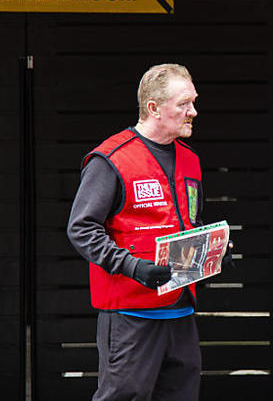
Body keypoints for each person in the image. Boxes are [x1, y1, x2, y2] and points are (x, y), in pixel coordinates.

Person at [67, 63, 203, 401]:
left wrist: (212, 252)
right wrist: (131, 266)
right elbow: (81, 228)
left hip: (181, 311)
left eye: (193, 102)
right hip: (131, 315)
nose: (193, 112)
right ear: (154, 108)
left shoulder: (191, 160)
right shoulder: (112, 158)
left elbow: (189, 222)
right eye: (184, 104)